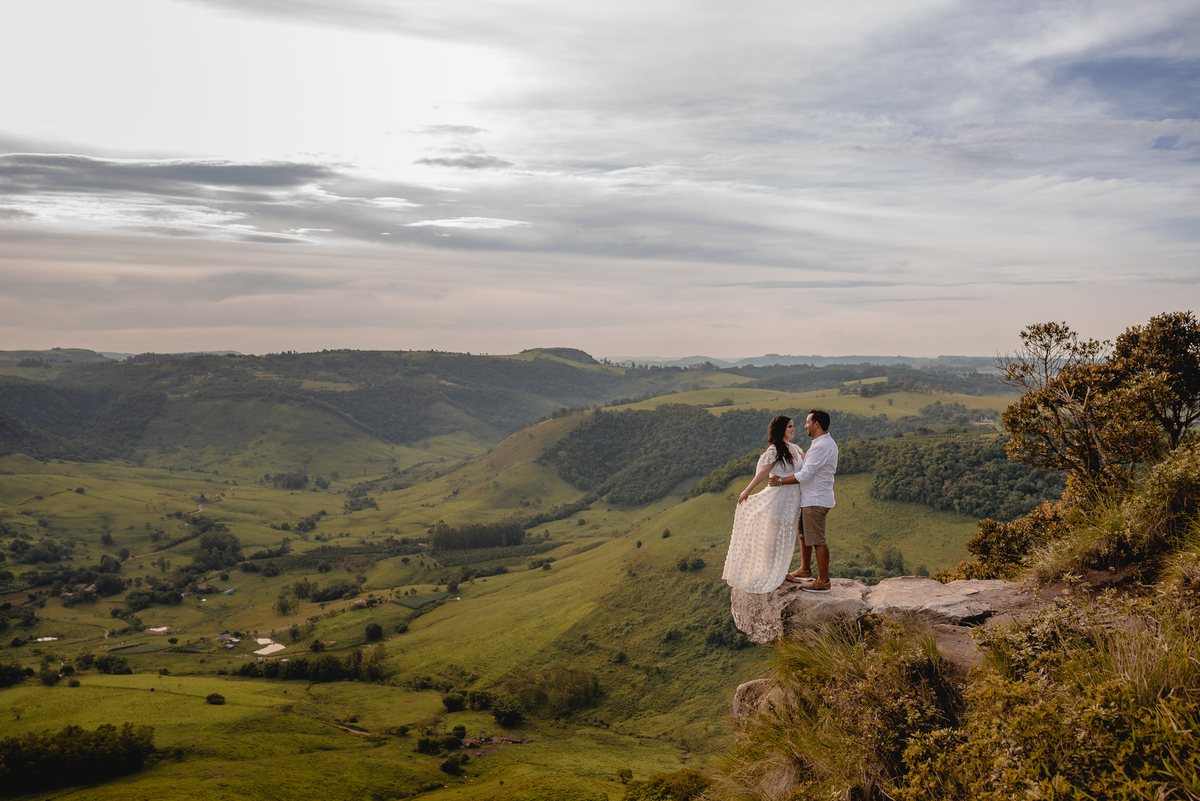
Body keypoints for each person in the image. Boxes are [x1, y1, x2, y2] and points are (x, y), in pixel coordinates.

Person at [722, 415, 805, 593]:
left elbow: (810, 465)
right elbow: (762, 474)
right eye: (790, 426)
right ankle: (771, 573)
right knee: (772, 537)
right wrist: (747, 490)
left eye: (793, 426)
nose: (793, 429)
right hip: (777, 499)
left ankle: (782, 572)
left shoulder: (796, 448)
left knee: (787, 537)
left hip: (792, 501)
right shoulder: (774, 450)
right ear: (781, 429)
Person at [769, 409, 838, 593]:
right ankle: (805, 569)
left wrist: (781, 481)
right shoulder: (820, 444)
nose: (805, 426)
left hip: (815, 500)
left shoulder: (821, 446)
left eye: (808, 422)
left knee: (818, 540)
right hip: (810, 499)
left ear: (816, 424)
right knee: (804, 535)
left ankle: (823, 581)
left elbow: (806, 474)